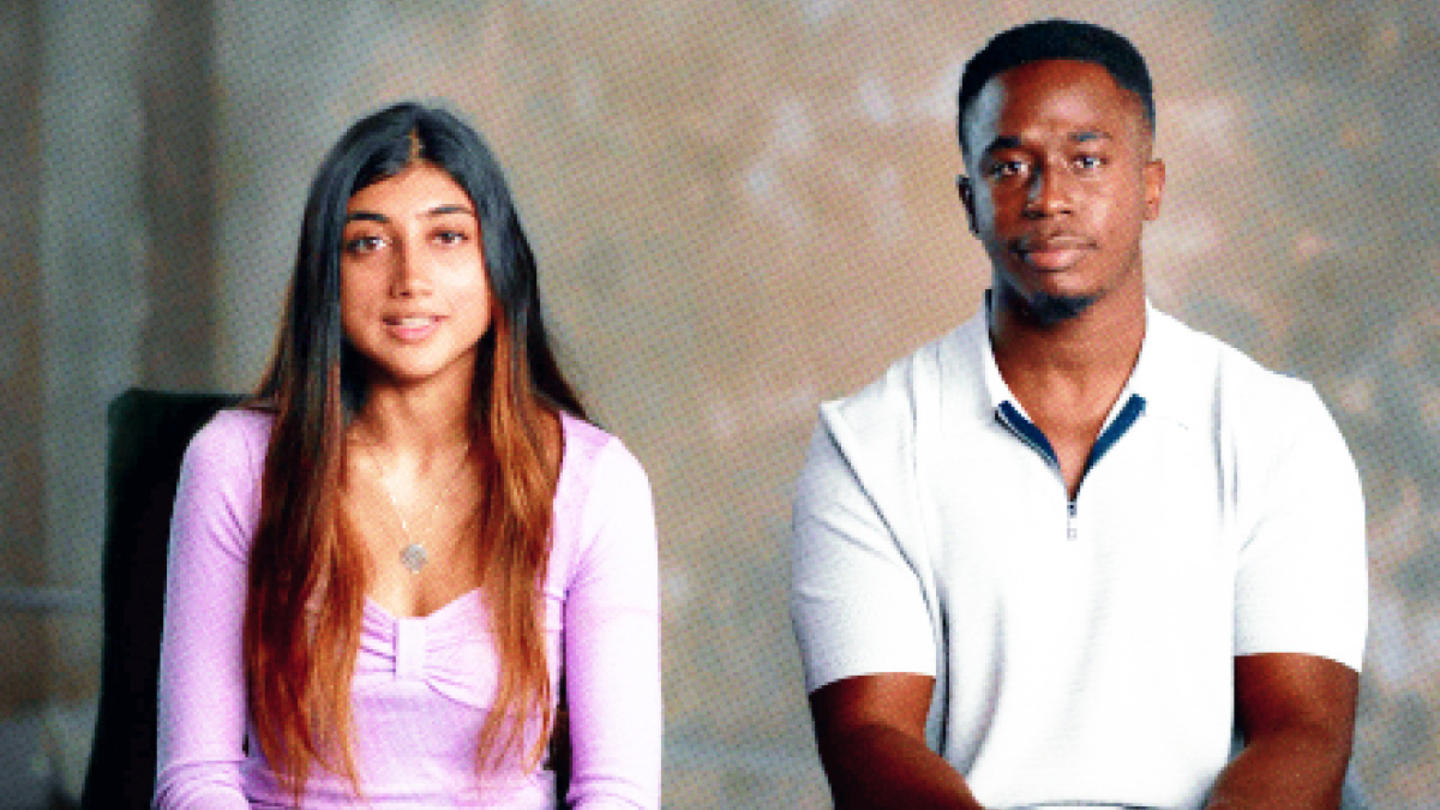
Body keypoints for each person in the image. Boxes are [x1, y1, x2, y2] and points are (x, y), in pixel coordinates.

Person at [790, 19, 1366, 810]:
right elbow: (867, 735)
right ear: (969, 201)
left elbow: (1304, 731)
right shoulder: (869, 440)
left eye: (1087, 160)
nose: (1049, 197)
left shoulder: (1276, 430)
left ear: (1151, 186)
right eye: (1010, 165)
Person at [154, 102, 660, 808]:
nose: (409, 278)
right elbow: (195, 778)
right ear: (325, 273)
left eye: (447, 237)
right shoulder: (233, 462)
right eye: (368, 243)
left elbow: (618, 793)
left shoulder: (597, 483)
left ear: (498, 264)